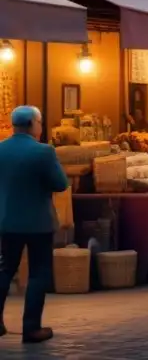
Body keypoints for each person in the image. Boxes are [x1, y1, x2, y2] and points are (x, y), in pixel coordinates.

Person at [0, 106, 69, 343]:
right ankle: (31, 328)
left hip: (7, 221)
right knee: (39, 273)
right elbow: (60, 184)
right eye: (40, 122)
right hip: (38, 223)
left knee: (5, 269)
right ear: (32, 124)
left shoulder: (1, 149)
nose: (41, 127)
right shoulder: (44, 152)